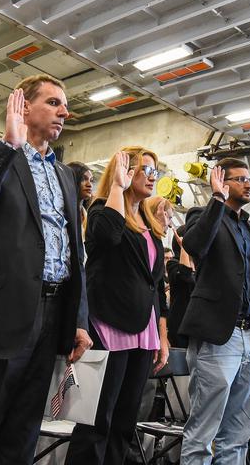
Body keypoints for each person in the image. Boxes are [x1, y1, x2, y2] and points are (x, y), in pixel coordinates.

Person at [0, 75, 92, 464]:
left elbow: (73, 250)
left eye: (65, 105)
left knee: (21, 438)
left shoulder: (64, 175)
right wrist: (9, 147)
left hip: (52, 315)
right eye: (54, 103)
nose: (65, 111)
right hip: (1, 314)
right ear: (23, 106)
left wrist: (78, 317)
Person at [65, 148, 170, 464]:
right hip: (110, 324)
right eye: (146, 170)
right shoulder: (101, 209)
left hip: (143, 329)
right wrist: (116, 189)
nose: (153, 178)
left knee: (125, 422)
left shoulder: (148, 221)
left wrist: (161, 335)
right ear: (125, 171)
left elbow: (155, 284)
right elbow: (107, 237)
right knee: (98, 420)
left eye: (156, 172)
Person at [179, 158, 250, 464]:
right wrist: (216, 200)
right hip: (218, 335)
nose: (248, 183)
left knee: (238, 432)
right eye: (239, 179)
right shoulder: (203, 215)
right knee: (203, 432)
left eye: (249, 179)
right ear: (221, 181)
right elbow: (194, 245)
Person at [166, 223, 194, 348]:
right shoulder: (172, 264)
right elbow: (185, 275)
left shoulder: (202, 265)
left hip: (197, 325)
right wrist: (184, 248)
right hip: (180, 324)